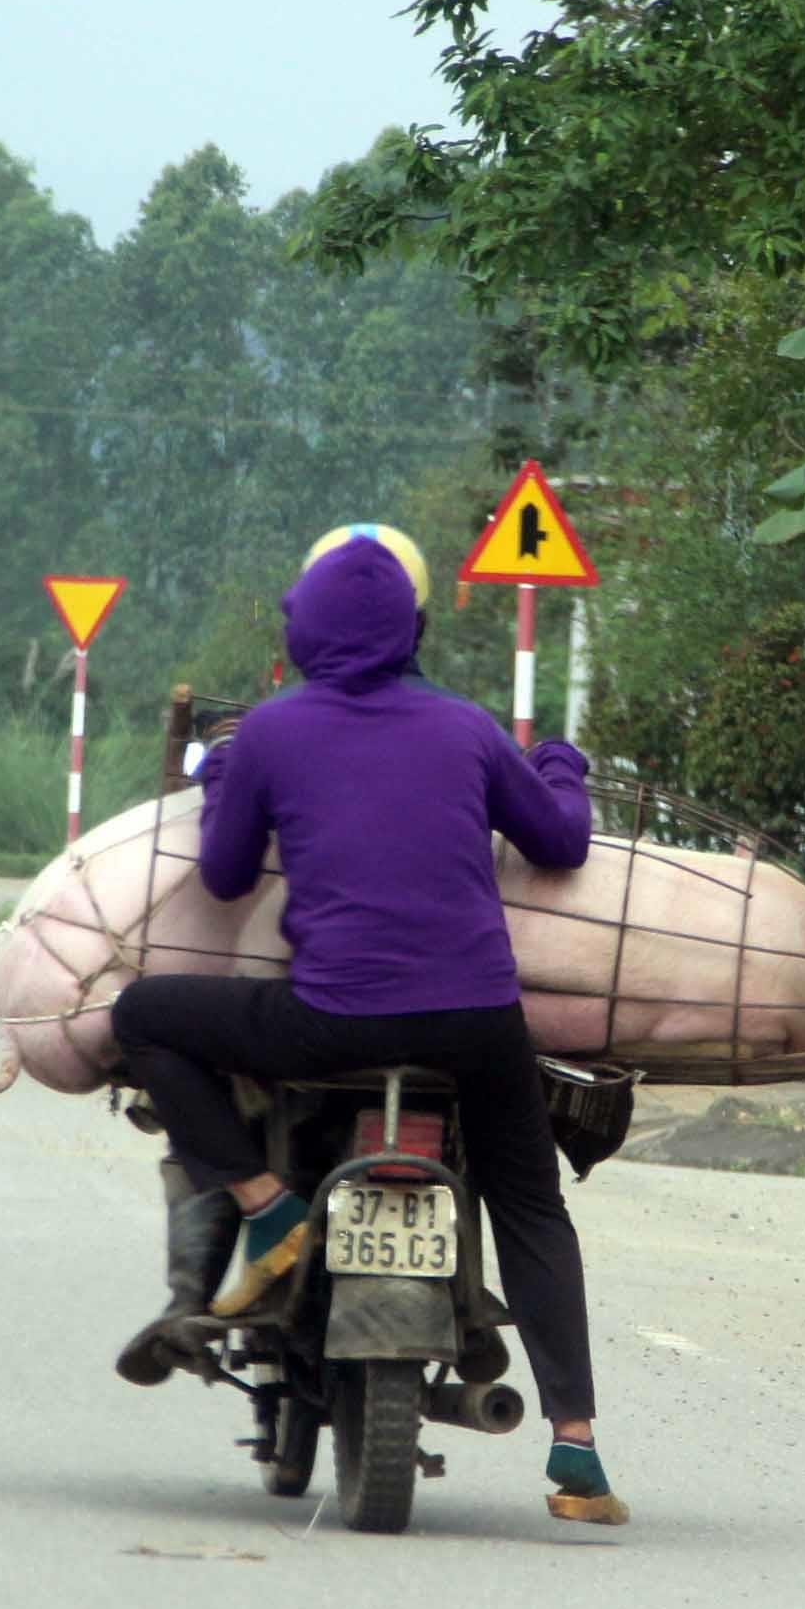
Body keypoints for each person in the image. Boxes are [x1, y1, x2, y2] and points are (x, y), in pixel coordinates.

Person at [109, 525, 627, 1525]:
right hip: (476, 1024)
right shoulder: (468, 727)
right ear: (413, 627)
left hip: (327, 1023)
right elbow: (560, 839)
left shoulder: (269, 730)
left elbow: (220, 877)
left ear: (299, 628)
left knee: (143, 1015)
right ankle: (578, 1449)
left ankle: (267, 1206)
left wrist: (222, 779)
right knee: (528, 1203)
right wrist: (560, 763)